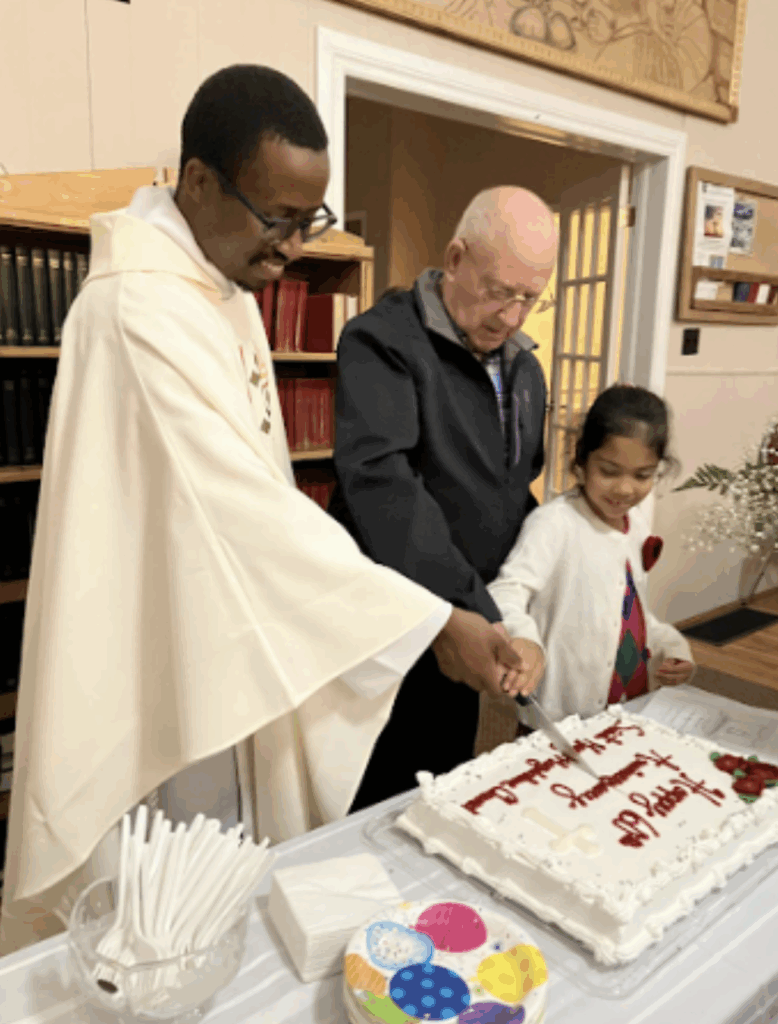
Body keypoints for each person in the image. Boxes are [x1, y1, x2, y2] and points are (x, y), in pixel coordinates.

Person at [0, 65, 524, 954]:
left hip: (226, 616)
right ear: (198, 181)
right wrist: (435, 619)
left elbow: (260, 497)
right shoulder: (137, 309)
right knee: (161, 910)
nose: (291, 246)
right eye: (277, 217)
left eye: (309, 220)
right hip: (160, 646)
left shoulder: (221, 291)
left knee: (232, 884)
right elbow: (238, 511)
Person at [329, 187, 558, 811]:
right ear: (455, 257)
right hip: (393, 620)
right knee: (373, 790)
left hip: (468, 621)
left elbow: (516, 493)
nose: (513, 317)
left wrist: (517, 609)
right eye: (498, 290)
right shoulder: (381, 342)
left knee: (439, 781)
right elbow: (386, 490)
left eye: (529, 299)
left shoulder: (525, 371)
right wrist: (473, 611)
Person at [487, 384, 695, 731]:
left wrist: (670, 647)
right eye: (610, 471)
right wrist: (523, 637)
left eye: (642, 475)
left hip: (629, 703)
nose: (626, 489)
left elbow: (630, 612)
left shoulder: (637, 525)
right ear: (581, 463)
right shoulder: (554, 523)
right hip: (559, 715)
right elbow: (506, 591)